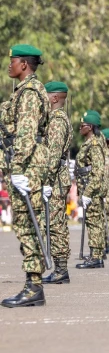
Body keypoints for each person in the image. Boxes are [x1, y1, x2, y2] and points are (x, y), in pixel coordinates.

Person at [0, 45, 50, 308]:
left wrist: (18, 169)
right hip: (25, 165)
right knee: (26, 224)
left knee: (28, 225)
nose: (9, 65)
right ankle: (33, 285)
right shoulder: (21, 92)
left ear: (24, 65)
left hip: (27, 166)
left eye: (13, 61)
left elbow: (26, 134)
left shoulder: (29, 93)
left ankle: (34, 287)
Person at [41, 81, 73, 284]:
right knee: (55, 223)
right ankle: (60, 268)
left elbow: (52, 155)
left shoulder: (57, 121)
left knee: (55, 225)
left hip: (54, 180)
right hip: (55, 179)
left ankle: (61, 269)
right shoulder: (53, 119)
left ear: (54, 98)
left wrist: (46, 181)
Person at [76, 110, 108, 270]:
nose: (80, 128)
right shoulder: (90, 142)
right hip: (88, 186)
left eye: (82, 125)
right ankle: (96, 254)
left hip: (92, 189)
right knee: (93, 222)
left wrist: (88, 193)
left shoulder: (94, 144)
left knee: (94, 223)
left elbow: (98, 171)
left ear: (90, 127)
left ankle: (96, 257)